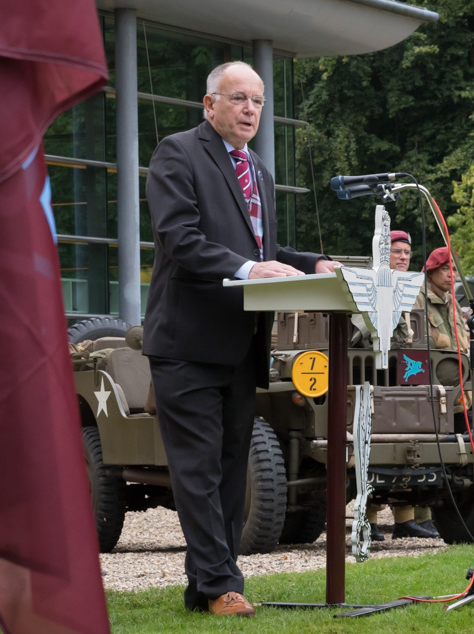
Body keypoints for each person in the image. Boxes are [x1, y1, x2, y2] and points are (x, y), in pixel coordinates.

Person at [143, 61, 339, 617]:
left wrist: (313, 262)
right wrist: (251, 272)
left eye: (257, 101)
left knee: (231, 470)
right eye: (238, 98)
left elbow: (263, 253)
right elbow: (182, 240)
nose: (250, 109)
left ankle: (205, 587)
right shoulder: (177, 153)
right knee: (199, 471)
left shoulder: (259, 171)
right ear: (210, 105)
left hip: (240, 345)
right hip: (186, 343)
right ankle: (225, 584)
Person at [359, 230, 440, 540]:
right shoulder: (369, 286)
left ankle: (406, 519)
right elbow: (362, 332)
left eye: (407, 252)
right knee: (372, 448)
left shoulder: (409, 288)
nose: (403, 257)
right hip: (372, 373)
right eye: (397, 252)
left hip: (403, 373)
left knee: (410, 443)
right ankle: (369, 520)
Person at [414, 247, 468, 351]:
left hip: (460, 364)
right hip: (433, 364)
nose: (451, 275)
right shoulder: (417, 299)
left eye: (454, 270)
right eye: (445, 268)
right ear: (430, 273)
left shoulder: (453, 303)